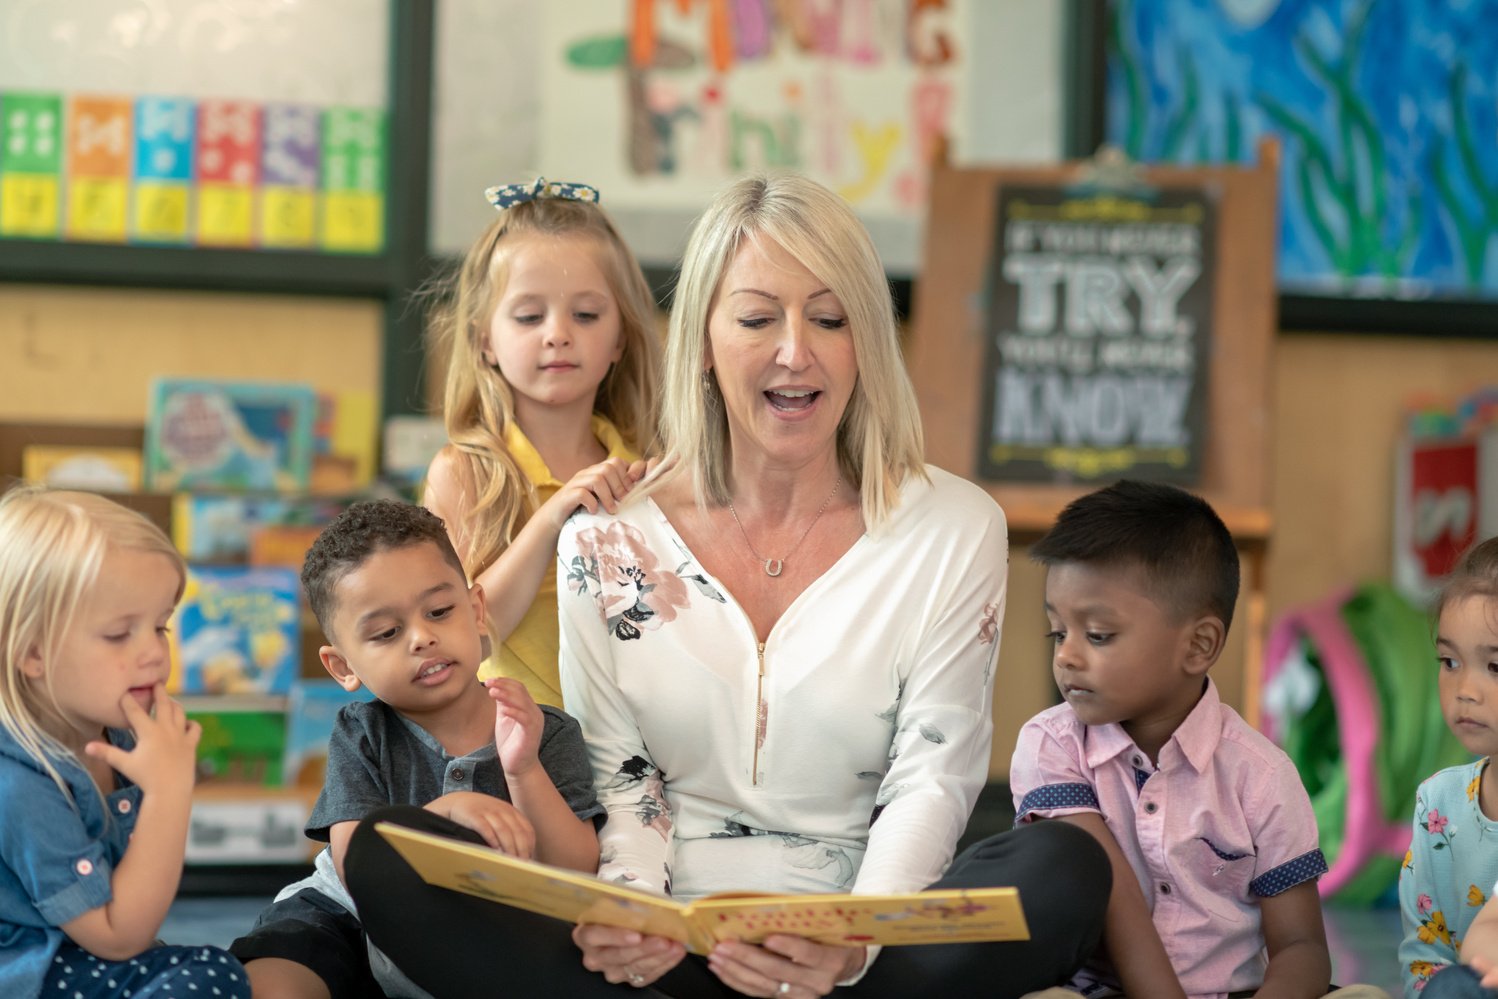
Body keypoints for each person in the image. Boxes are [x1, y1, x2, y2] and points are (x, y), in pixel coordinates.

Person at [344, 173, 1112, 998]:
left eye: (830, 317)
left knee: (1062, 863)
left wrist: (850, 942)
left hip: (864, 938)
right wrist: (633, 914)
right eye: (756, 318)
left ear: (868, 342)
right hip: (663, 940)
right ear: (703, 341)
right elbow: (619, 775)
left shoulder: (956, 526)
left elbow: (933, 772)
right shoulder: (604, 533)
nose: (796, 351)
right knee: (392, 854)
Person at [1010, 480, 1396, 999]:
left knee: (1366, 998)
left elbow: (1300, 945)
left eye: (1098, 635)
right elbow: (1111, 893)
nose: (1067, 656)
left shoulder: (1260, 774)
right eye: (1058, 632)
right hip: (1097, 992)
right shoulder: (1052, 745)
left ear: (1199, 646)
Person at [228, 499, 603, 998]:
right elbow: (353, 862)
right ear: (343, 667)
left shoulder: (544, 730)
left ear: (476, 611)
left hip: (488, 929)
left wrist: (524, 770)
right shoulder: (362, 730)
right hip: (349, 913)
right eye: (387, 633)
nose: (423, 637)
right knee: (270, 981)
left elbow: (577, 871)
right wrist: (440, 816)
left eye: (440, 612)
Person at [0, 487, 251, 998]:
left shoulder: (112, 731)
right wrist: (168, 793)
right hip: (29, 972)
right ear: (31, 653)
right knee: (213, 977)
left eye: (160, 627)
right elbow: (118, 937)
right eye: (119, 635)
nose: (155, 654)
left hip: (80, 955)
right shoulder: (19, 785)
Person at [422, 176, 662, 709]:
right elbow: (463, 637)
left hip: (628, 757)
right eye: (529, 316)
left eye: (586, 314)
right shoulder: (464, 473)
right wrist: (553, 516)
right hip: (504, 755)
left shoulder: (651, 476)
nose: (558, 333)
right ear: (484, 339)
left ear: (621, 337)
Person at [1398, 537, 1498, 997]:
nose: (1465, 690)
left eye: (1495, 667)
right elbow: (1424, 959)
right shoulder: (1436, 805)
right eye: (1450, 661)